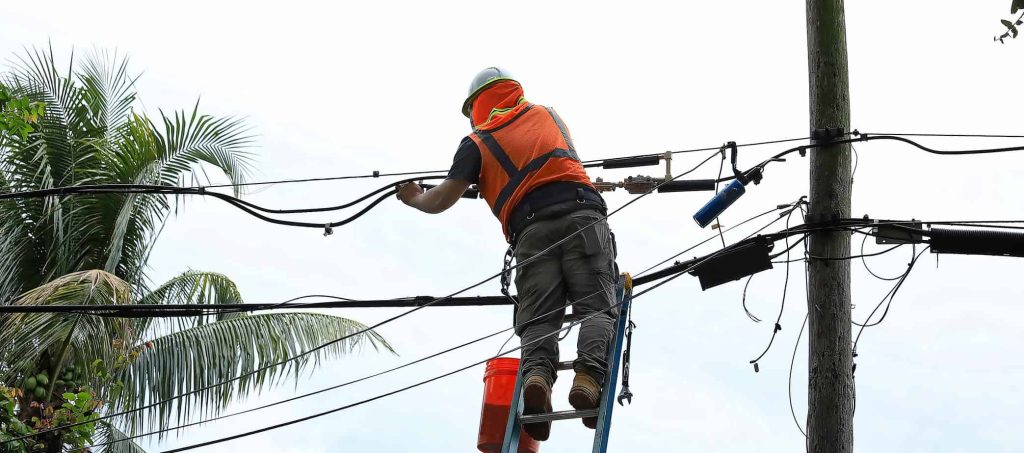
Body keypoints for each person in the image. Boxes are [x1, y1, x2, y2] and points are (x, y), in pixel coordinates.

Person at [397, 67, 618, 442]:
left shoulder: (475, 143)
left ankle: (536, 378)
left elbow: (443, 198)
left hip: (531, 231)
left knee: (539, 320)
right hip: (582, 214)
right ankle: (588, 378)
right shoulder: (547, 114)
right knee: (596, 308)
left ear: (475, 107)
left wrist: (414, 197)